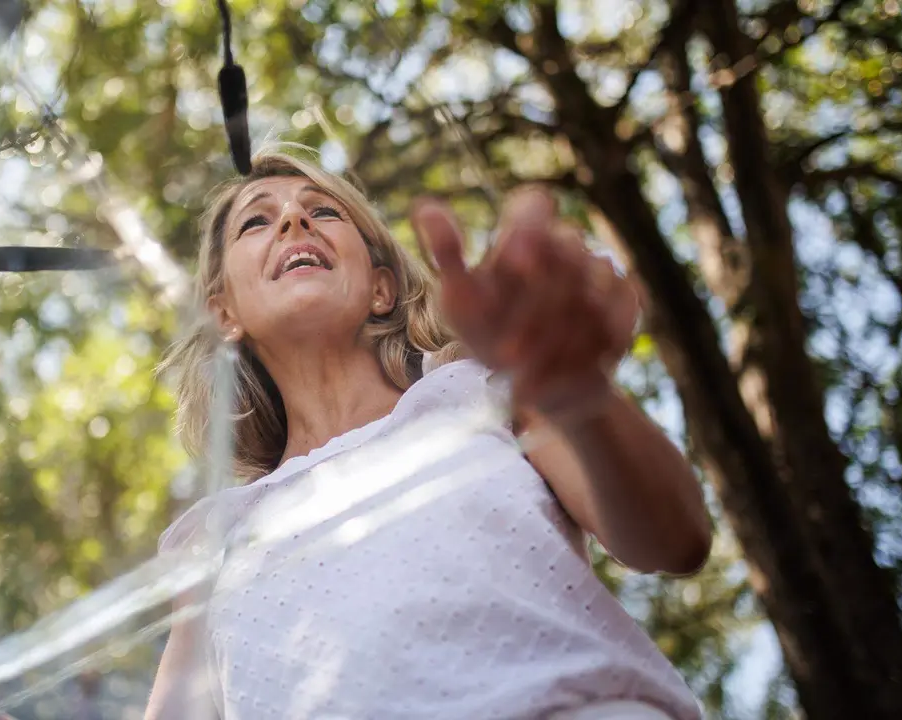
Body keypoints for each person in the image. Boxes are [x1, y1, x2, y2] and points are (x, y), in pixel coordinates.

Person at [144, 149, 712, 720]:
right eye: (257, 221)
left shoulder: (481, 397)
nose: (295, 221)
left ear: (381, 290)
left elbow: (676, 541)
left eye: (324, 211)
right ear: (225, 317)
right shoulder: (215, 539)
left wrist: (576, 393)